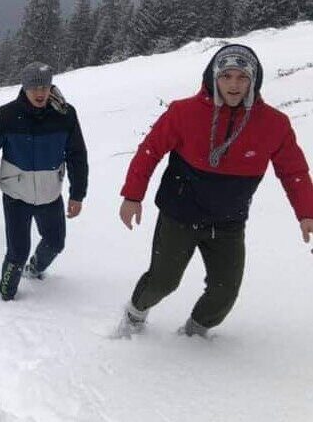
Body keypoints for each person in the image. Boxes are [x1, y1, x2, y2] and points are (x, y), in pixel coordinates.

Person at [117, 44, 313, 338]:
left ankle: (194, 335)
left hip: (228, 222)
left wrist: (307, 213)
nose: (234, 85)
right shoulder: (183, 112)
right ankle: (134, 314)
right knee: (163, 281)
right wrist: (133, 196)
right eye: (227, 76)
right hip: (180, 215)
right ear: (213, 77)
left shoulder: (274, 124)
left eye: (242, 77)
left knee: (225, 291)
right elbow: (149, 151)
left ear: (254, 81)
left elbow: (294, 172)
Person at [0, 62, 89, 301]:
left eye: (45, 87)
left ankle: (35, 269)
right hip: (16, 195)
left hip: (50, 194)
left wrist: (77, 194)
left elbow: (77, 155)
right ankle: (5, 296)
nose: (40, 93)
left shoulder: (65, 115)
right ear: (24, 88)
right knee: (17, 251)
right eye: (34, 88)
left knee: (56, 242)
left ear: (51, 87)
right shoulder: (6, 116)